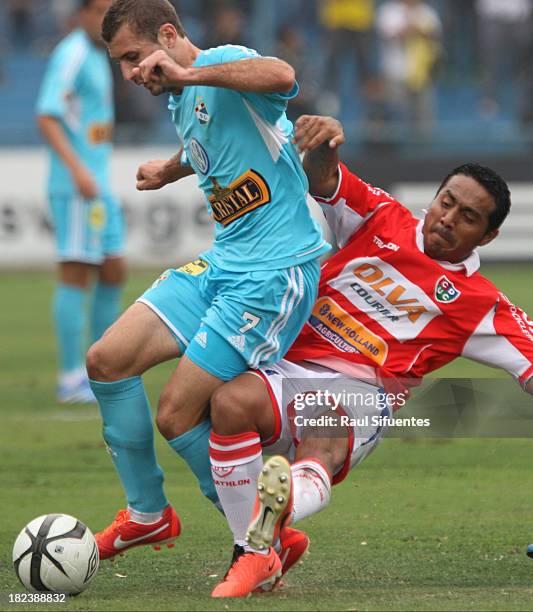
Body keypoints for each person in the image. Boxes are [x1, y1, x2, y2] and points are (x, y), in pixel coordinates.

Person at [204, 115, 533, 597]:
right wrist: (327, 138)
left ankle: (271, 523)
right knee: (225, 402)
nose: (448, 218)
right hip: (287, 365)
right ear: (435, 198)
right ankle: (264, 546)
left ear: (487, 237)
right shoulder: (382, 216)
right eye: (447, 202)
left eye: (468, 217)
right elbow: (325, 178)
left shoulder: (481, 304)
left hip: (360, 393)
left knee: (326, 425)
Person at [87, 0, 330, 559]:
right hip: (223, 263)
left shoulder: (220, 61)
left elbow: (283, 76)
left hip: (274, 272)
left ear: (168, 36)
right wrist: (170, 169)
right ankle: (148, 514)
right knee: (107, 360)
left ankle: (262, 538)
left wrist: (188, 71)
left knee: (176, 413)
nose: (127, 73)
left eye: (131, 57)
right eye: (119, 63)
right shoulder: (181, 97)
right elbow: (209, 139)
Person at [36, 0, 126, 404]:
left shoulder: (95, 53)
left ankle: (100, 367)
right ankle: (71, 376)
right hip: (78, 185)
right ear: (83, 14)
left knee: (113, 268)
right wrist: (78, 171)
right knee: (75, 269)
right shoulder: (71, 53)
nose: (110, 21)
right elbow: (47, 115)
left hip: (97, 181)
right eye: (103, 12)